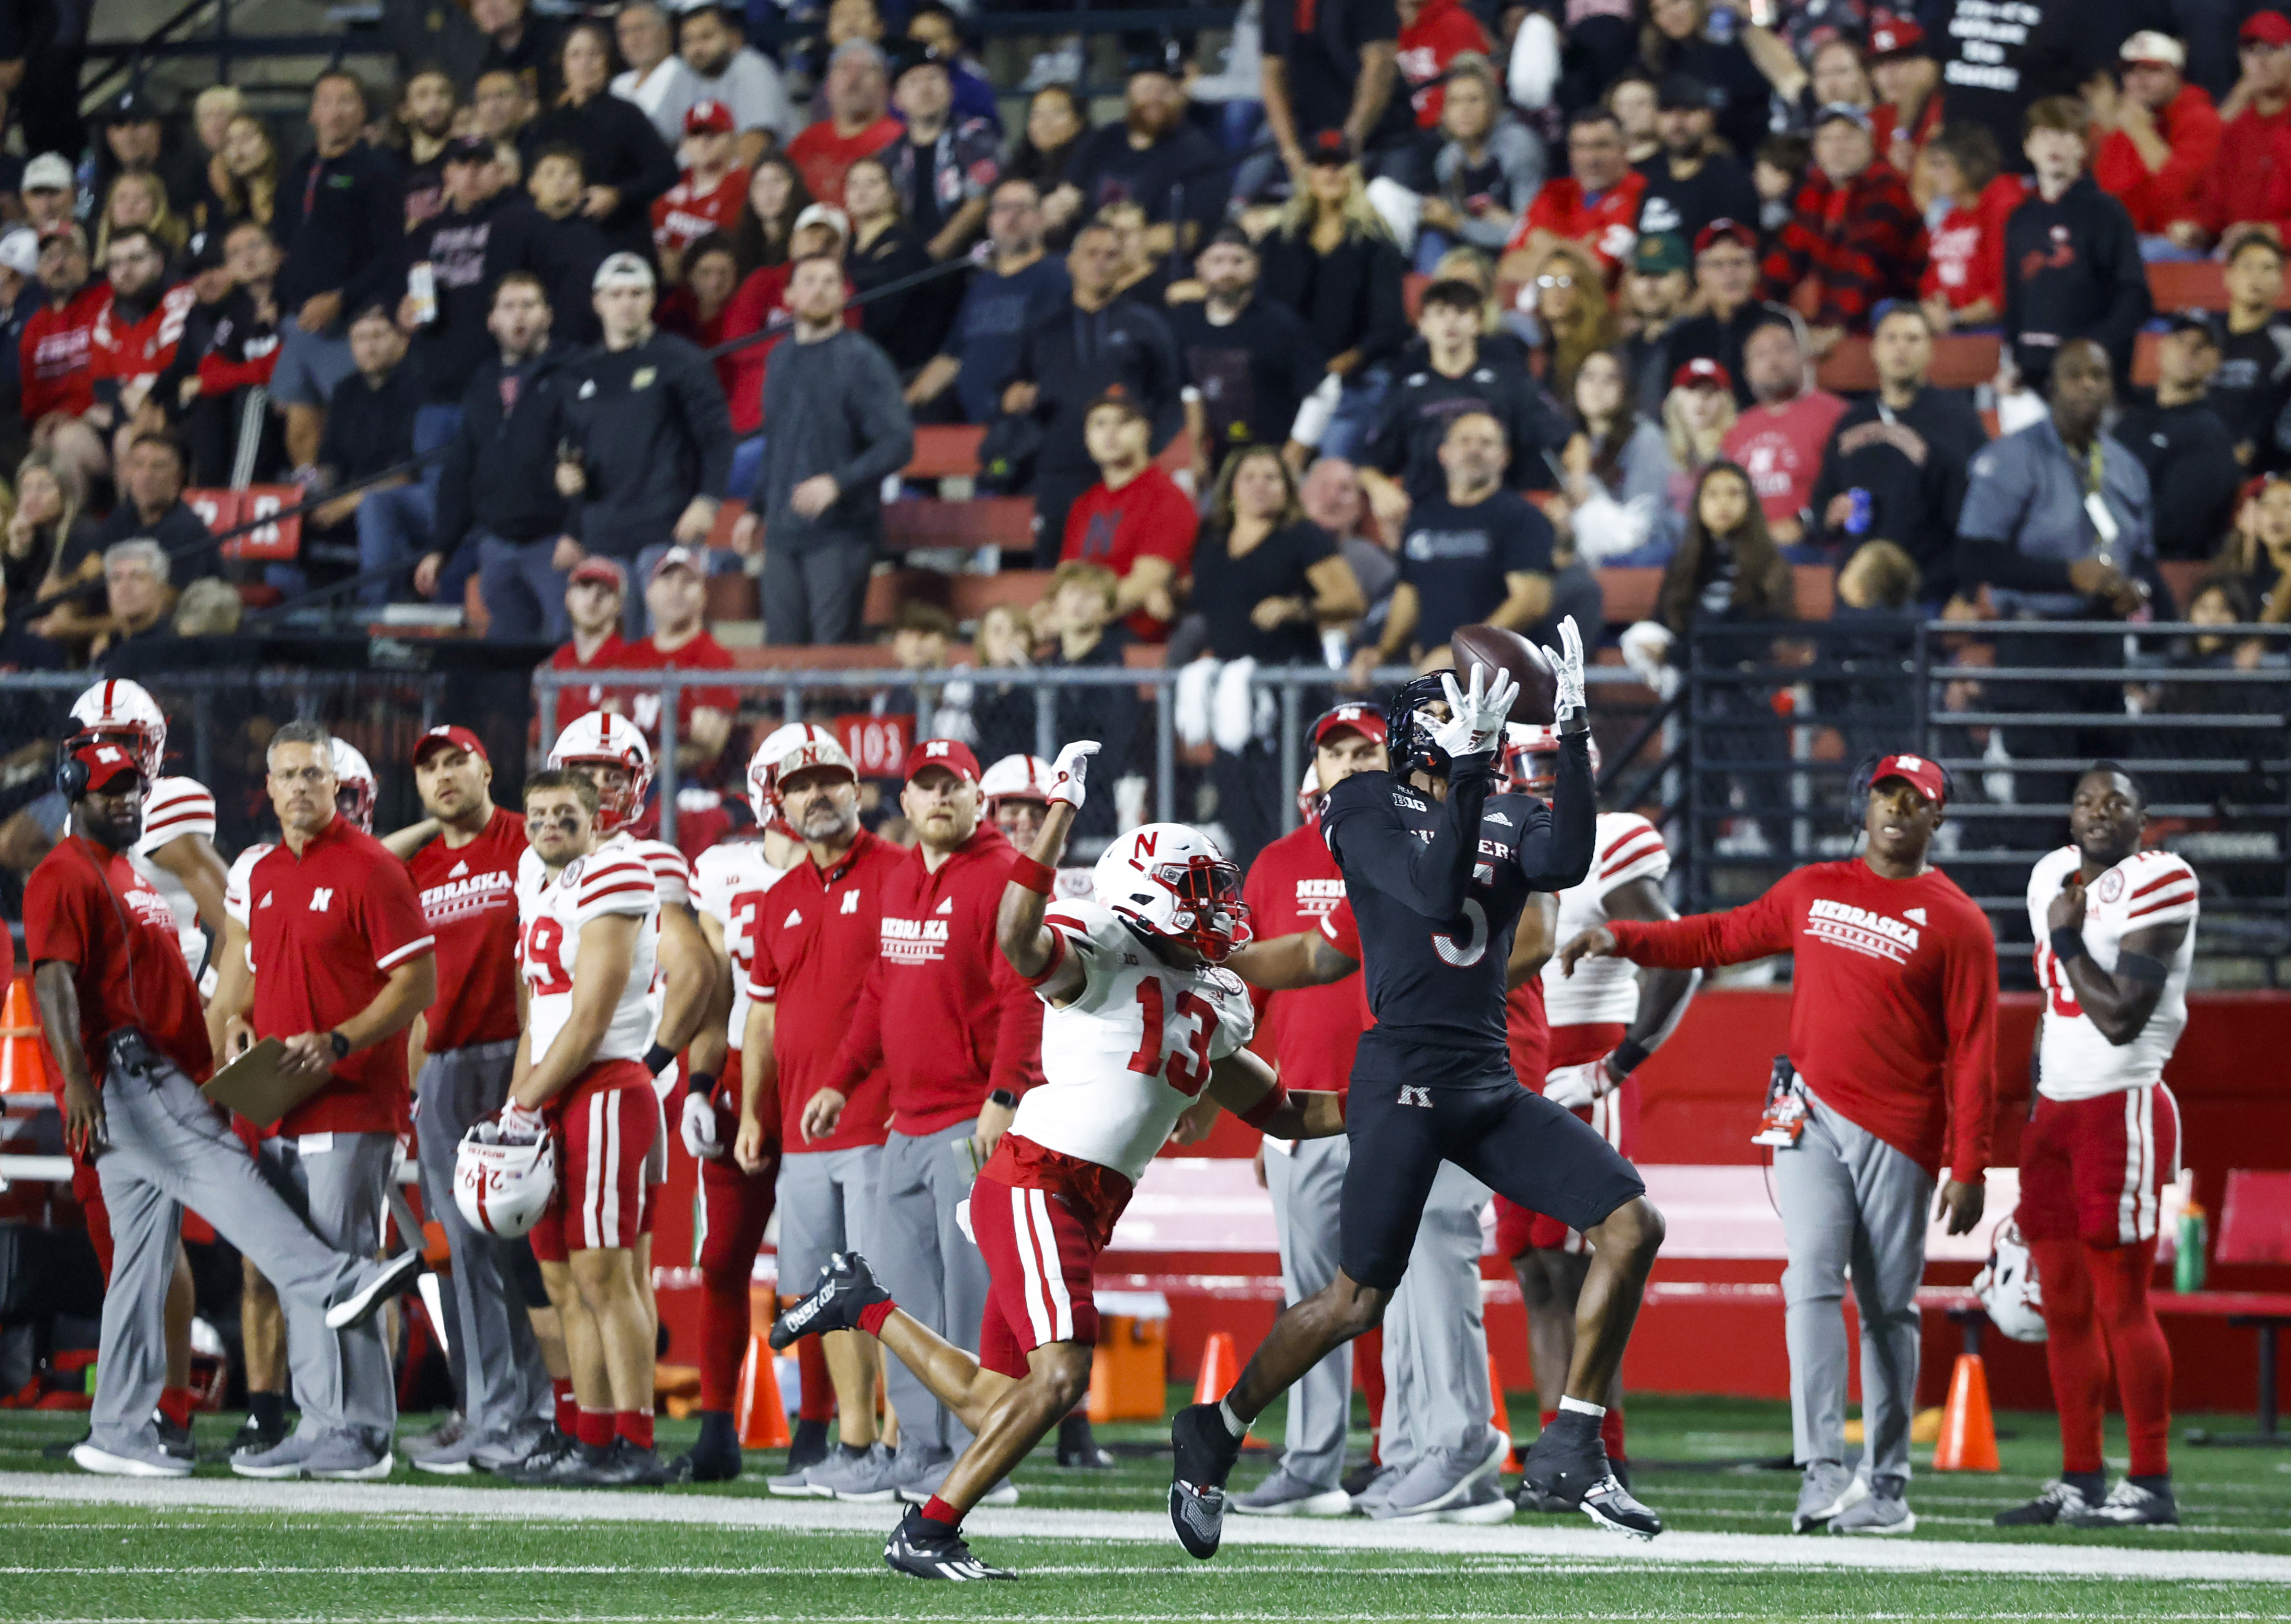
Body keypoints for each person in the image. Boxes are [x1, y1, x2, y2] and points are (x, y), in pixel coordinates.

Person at [1169, 623, 1667, 1556]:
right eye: (1442, 708)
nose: (1459, 718)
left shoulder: (1512, 805)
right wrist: (1475, 768)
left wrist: (1570, 725)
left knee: (1633, 1225)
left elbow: (1562, 860)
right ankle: (1218, 1426)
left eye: (1469, 707)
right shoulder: (1361, 803)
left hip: (1486, 1077)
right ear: (1411, 727)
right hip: (1399, 1076)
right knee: (1356, 1299)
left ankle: (1571, 1440)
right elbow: (1435, 893)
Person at [777, 758, 1339, 1581]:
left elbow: (1286, 1108)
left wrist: (1400, 1097)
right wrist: (1057, 818)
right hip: (1039, 1178)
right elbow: (1015, 935)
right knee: (1064, 1372)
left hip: (1080, 1199)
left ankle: (862, 1304)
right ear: (1149, 892)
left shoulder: (1212, 995)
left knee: (996, 1402)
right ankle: (927, 1532)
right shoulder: (1099, 949)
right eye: (1200, 888)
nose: (1221, 906)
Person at [1564, 750, 1995, 1534]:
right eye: (1883, 795)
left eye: (1914, 799)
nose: (1895, 810)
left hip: (1901, 1129)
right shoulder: (1811, 886)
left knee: (1888, 1307)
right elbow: (1721, 935)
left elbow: (1973, 1050)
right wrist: (1622, 937)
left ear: (1937, 816)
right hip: (1808, 1115)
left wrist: (1968, 1165)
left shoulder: (1957, 920)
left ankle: (1888, 1483)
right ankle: (1823, 1471)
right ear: (1861, 807)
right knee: (1809, 1282)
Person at [28, 739, 422, 1479]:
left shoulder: (120, 870)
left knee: (139, 1264)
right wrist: (75, 1077)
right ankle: (339, 1281)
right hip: (128, 1072)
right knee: (232, 1178)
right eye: (110, 788)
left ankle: (116, 1426)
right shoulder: (62, 869)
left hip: (150, 1070)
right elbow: (52, 976)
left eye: (133, 788)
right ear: (72, 789)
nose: (126, 801)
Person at [205, 721, 439, 1480]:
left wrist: (338, 1040)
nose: (301, 786)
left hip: (350, 1098)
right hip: (275, 1096)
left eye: (314, 773)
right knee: (301, 1269)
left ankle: (363, 1430)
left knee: (344, 1264)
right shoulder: (262, 872)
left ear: (336, 783)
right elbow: (237, 993)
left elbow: (417, 985)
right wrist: (239, 1030)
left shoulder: (372, 868)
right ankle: (320, 1418)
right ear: (267, 788)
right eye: (288, 775)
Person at [1494, 725, 1695, 1495]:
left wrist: (1617, 1063)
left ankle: (1598, 1447)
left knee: (1585, 1265)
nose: (1539, 779)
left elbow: (1676, 956)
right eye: (1528, 765)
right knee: (1535, 1269)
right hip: (1520, 1073)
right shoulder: (1507, 838)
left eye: (1553, 764)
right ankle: (1554, 1451)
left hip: (1585, 1068)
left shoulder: (1608, 839)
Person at [1996, 764, 2195, 1530]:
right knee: (2065, 1306)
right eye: (2084, 800)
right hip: (2055, 1114)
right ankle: (2080, 1476)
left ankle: (2148, 1481)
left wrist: (2066, 931)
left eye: (2115, 801)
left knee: (2120, 1300)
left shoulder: (2162, 878)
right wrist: (2035, 1104)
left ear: (2143, 816)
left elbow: (2118, 1016)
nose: (2097, 812)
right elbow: (2056, 1008)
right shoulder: (2049, 871)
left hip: (2123, 1105)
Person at [723, 728, 902, 1495]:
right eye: (801, 785)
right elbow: (759, 1016)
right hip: (800, 1124)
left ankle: (910, 1441)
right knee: (824, 1291)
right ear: (780, 802)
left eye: (832, 781)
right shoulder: (776, 899)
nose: (817, 794)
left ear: (857, 792)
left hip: (882, 1116)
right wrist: (754, 1112)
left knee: (890, 1292)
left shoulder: (900, 874)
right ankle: (856, 1444)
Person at [1226, 705, 1384, 1517]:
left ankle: (1415, 1453)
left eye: (1368, 748)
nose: (1353, 761)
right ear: (1312, 772)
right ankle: (1313, 1462)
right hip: (1308, 1110)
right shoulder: (1275, 864)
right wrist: (1245, 1102)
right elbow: (1245, 996)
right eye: (1337, 750)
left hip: (1400, 1103)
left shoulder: (1415, 847)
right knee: (1309, 1296)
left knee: (1415, 1286)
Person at [500, 767, 668, 1486]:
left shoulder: (617, 871)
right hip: (552, 1090)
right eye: (536, 814)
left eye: (565, 814)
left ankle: (635, 1437)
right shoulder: (540, 883)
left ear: (596, 818)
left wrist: (522, 1104)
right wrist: (518, 1105)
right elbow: (537, 1020)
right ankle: (590, 1435)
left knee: (604, 1272)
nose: (548, 826)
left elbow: (589, 1017)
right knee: (563, 1278)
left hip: (602, 1084)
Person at [397, 726, 553, 1474]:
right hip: (445, 1066)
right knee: (463, 1248)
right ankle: (492, 1408)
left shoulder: (526, 840)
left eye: (455, 761)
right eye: (428, 769)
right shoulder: (418, 864)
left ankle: (532, 1410)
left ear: (487, 767)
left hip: (516, 1058)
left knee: (522, 1249)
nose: (443, 775)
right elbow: (364, 860)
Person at [676, 732, 806, 1484]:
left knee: (822, 1262)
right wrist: (698, 1081)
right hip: (733, 1066)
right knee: (722, 1256)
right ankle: (717, 1423)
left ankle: (822, 1427)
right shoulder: (724, 868)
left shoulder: (850, 870)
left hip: (820, 1069)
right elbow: (712, 988)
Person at [735, 252, 913, 647]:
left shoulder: (862, 359)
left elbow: (899, 442)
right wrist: (754, 510)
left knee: (830, 659)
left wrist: (837, 482)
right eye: (810, 281)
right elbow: (777, 445)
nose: (819, 290)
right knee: (780, 660)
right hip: (783, 534)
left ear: (844, 293)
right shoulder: (780, 357)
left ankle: (831, 713)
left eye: (829, 282)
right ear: (790, 295)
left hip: (842, 533)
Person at [556, 254, 733, 619]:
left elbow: (717, 436)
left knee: (665, 653)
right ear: (598, 302)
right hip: (603, 536)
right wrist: (564, 484)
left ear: (652, 299)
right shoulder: (578, 372)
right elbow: (569, 449)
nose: (627, 303)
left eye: (637, 293)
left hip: (666, 530)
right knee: (615, 661)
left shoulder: (682, 360)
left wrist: (708, 500)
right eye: (616, 294)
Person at [1003, 222, 1182, 568]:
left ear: (1124, 264)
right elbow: (1011, 384)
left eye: (1111, 255)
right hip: (1058, 468)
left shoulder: (1146, 324)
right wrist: (1014, 397)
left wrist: (1147, 450)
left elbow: (1170, 397)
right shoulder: (1042, 326)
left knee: (1122, 563)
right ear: (1070, 262)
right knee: (1055, 569)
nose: (1100, 262)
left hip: (1124, 471)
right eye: (1091, 254)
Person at [423, 273, 578, 637]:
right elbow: (460, 468)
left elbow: (590, 459)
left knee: (565, 653)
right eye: (509, 307)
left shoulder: (572, 373)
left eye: (529, 305)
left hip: (554, 543)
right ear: (492, 320)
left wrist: (575, 532)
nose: (519, 316)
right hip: (497, 546)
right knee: (504, 664)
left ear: (548, 315)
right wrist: (441, 548)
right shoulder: (482, 383)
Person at [270, 72, 405, 474]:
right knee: (300, 429)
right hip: (297, 322)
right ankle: (311, 510)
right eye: (326, 101)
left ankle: (353, 519)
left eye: (347, 101)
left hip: (350, 322)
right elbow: (282, 243)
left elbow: (392, 251)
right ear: (313, 112)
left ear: (362, 112)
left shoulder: (378, 168)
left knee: (353, 429)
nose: (336, 111)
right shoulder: (298, 171)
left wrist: (341, 299)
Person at [1353, 411, 1553, 681]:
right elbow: (1409, 592)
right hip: (1435, 675)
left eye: (1486, 443)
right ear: (1443, 454)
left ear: (1504, 457)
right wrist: (1382, 651)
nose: (1474, 451)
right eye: (1465, 441)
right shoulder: (1423, 518)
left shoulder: (1523, 518)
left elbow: (1531, 600)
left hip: (1504, 679)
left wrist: (1464, 652)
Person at [1805, 305, 1986, 599]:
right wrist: (1830, 515)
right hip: (1858, 590)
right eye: (1891, 339)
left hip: (1928, 589)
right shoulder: (1852, 421)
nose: (1901, 348)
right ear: (1874, 349)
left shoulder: (1957, 419)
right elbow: (1823, 497)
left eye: (1912, 339)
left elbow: (1977, 512)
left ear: (1930, 350)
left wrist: (1964, 593)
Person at [1358, 278, 1568, 530]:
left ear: (1478, 323)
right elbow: (1366, 462)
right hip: (1425, 517)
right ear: (1423, 326)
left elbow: (1563, 437)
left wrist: (1576, 482)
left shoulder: (1509, 383)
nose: (1450, 322)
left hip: (1499, 517)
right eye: (1440, 313)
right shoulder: (1406, 391)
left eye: (1461, 312)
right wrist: (1379, 487)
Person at [1256, 135, 1411, 463]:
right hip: (1289, 378)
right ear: (1307, 175)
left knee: (1331, 461)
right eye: (1321, 165)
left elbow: (1389, 326)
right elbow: (1263, 310)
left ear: (1354, 174)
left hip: (1353, 380)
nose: (1330, 174)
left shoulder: (1377, 245)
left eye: (1339, 165)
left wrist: (1347, 362)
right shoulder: (1278, 241)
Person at [2003, 97, 2149, 391]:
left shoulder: (2106, 213)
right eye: (2044, 135)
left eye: (2065, 134)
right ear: (2028, 147)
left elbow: (2133, 295)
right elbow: (2015, 299)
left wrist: (2094, 349)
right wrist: (2011, 361)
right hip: (2030, 375)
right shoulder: (2020, 220)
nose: (2054, 145)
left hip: (2088, 377)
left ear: (2083, 146)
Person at [1759, 104, 1923, 352]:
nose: (1838, 148)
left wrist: (1834, 328)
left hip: (1885, 318)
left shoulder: (1887, 188)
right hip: (1835, 317)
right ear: (1816, 149)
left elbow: (1866, 266)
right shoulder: (1817, 190)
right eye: (1828, 139)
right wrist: (1756, 313)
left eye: (1848, 137)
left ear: (1870, 143)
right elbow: (1786, 258)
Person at [905, 178, 1068, 426]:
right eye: (1003, 208)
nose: (1011, 217)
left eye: (1022, 208)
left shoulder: (1058, 274)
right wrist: (907, 401)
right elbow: (952, 356)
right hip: (973, 428)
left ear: (1040, 218)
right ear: (991, 221)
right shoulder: (981, 284)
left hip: (1030, 425)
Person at [1169, 226, 1323, 481]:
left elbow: (1323, 391)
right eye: (1218, 261)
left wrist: (1295, 452)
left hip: (1273, 463)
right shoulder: (1185, 322)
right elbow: (1190, 389)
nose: (1228, 271)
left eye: (1238, 261)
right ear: (1200, 266)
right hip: (1216, 463)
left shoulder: (1281, 324)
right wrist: (1196, 451)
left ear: (1257, 266)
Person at [1060, 48, 1229, 256]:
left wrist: (1110, 248)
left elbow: (1184, 234)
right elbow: (1068, 195)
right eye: (1146, 89)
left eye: (1165, 91)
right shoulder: (1104, 140)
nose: (1154, 99)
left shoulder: (1197, 152)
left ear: (1181, 98)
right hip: (1087, 255)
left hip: (1151, 266)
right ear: (1129, 94)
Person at [1060, 389, 1195, 642]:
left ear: (1146, 430)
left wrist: (1079, 616)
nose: (1110, 432)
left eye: (1123, 422)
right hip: (1084, 630)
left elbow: (1146, 581)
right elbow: (1067, 575)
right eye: (1099, 424)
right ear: (1087, 437)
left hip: (1133, 634)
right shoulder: (1085, 503)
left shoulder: (1166, 498)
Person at [314, 302, 425, 606]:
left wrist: (349, 501)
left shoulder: (419, 386)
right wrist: (309, 489)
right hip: (349, 500)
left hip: (403, 500)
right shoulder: (345, 391)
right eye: (360, 339)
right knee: (295, 514)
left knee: (375, 508)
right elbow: (330, 461)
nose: (369, 347)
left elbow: (408, 473)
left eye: (378, 336)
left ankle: (372, 612)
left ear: (402, 340)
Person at [2113, 311, 2242, 561]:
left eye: (2201, 346)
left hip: (2164, 566)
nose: (2189, 351)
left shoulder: (2209, 434)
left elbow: (2173, 527)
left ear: (2216, 360)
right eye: (2180, 341)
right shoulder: (2131, 420)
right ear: (2162, 348)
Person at [1718, 316, 1847, 548]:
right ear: (1747, 372)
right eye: (1761, 354)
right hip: (1745, 549)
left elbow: (1850, 490)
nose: (1773, 361)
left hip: (1810, 547)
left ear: (1804, 358)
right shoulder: (1736, 429)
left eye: (1783, 349)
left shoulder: (1836, 415)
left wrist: (1804, 523)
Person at [2089, 32, 2218, 251]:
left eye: (2153, 70)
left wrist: (2140, 132)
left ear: (2177, 73)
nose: (2140, 80)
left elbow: (2176, 190)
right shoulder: (2126, 120)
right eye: (2131, 71)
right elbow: (2110, 193)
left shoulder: (2200, 119)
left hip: (2185, 244)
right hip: (2136, 240)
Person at [1258, 0, 1408, 185]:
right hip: (1308, 131)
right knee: (1261, 151)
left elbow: (1380, 65)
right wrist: (1291, 152)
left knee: (1388, 202)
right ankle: (1237, 205)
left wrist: (1350, 140)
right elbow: (1272, 72)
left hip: (1383, 134)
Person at [2178, 12, 2291, 254]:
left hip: (2282, 252)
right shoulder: (2236, 131)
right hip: (2237, 253)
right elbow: (2215, 205)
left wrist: (2270, 232)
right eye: (2250, 51)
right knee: (2158, 253)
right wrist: (2198, 229)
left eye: (2272, 49)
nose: (2260, 61)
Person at [1557, 348, 1679, 567]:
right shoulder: (1570, 439)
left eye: (1610, 379)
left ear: (1625, 389)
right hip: (1588, 559)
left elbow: (1640, 527)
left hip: (1640, 559)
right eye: (1589, 377)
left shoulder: (1645, 438)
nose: (1597, 387)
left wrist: (1583, 482)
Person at [1418, 55, 1543, 268]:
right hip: (1472, 248)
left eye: (1474, 100)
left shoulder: (1518, 146)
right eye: (1455, 102)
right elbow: (1459, 227)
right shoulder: (1449, 159)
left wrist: (1457, 223)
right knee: (1430, 238)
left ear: (1493, 107)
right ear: (1444, 113)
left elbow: (1528, 234)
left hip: (1517, 256)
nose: (1464, 110)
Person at [882, 42, 1001, 265]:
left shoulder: (974, 135)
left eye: (934, 78)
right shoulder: (891, 154)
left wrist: (933, 254)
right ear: (897, 99)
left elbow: (981, 199)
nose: (926, 89)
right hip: (911, 266)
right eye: (913, 82)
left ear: (951, 89)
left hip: (969, 263)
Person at [1501, 107, 1646, 280]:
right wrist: (1576, 249)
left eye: (1601, 146)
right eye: (1580, 147)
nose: (1590, 159)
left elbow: (1595, 270)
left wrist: (1543, 242)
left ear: (1624, 148)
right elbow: (1508, 266)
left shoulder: (1639, 192)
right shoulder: (1554, 191)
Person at [89, 226, 197, 441]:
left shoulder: (180, 299)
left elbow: (175, 368)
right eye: (116, 263)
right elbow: (101, 380)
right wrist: (124, 395)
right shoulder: (107, 314)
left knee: (127, 438)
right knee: (70, 438)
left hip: (176, 414)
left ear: (159, 261)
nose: (126, 271)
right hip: (126, 414)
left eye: (136, 259)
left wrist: (145, 394)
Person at [1664, 219, 1786, 408]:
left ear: (1756, 270)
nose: (1730, 274)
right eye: (1717, 265)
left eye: (1738, 263)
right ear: (1700, 274)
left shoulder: (1778, 324)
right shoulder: (1684, 335)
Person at [1636, 73, 1759, 255]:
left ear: (1710, 117)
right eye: (1668, 111)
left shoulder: (1731, 181)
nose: (1678, 121)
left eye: (1689, 110)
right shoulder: (1642, 175)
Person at [841, 155, 941, 372]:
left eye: (872, 183)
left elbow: (889, 313)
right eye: (853, 184)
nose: (861, 191)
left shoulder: (906, 244)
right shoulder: (845, 248)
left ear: (893, 193)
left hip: (898, 362)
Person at [1916, 122, 2018, 335]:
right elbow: (1932, 281)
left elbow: (2004, 291)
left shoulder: (2002, 205)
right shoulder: (1953, 216)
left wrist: (1955, 319)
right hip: (1951, 323)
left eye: (1940, 164)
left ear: (1969, 163)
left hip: (1991, 328)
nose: (1933, 175)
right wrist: (1935, 307)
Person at [677, 3, 798, 168]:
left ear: (735, 39)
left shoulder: (751, 69)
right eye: (688, 41)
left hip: (765, 182)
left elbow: (754, 147)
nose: (696, 49)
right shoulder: (689, 74)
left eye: (706, 37)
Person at [2209, 231, 2291, 471]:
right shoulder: (2206, 338)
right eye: (2247, 267)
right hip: (2200, 455)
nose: (2256, 277)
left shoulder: (2286, 344)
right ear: (2228, 276)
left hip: (2262, 466)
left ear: (2281, 282)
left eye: (2267, 268)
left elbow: (2274, 414)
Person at [92, 433, 218, 585]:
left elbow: (168, 600)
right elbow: (90, 569)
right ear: (126, 473)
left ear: (178, 478)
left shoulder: (186, 530)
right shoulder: (122, 516)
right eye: (138, 465)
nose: (147, 475)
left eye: (158, 466)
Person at [787, 40, 901, 208]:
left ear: (885, 87)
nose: (854, 78)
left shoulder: (898, 140)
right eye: (844, 68)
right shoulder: (807, 141)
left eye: (866, 70)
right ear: (827, 86)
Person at [653, 100, 750, 282]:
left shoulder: (745, 186)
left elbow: (730, 251)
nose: (704, 142)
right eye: (696, 135)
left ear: (733, 139)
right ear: (685, 143)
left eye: (713, 134)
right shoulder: (671, 182)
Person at [21, 225, 104, 424]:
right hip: (49, 425)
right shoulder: (35, 326)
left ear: (87, 259)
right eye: (49, 257)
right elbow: (32, 396)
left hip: (97, 416)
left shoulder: (106, 302)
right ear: (39, 271)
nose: (58, 264)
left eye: (67, 254)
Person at [1617, 232, 1690, 411]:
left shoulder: (1698, 340)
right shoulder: (1622, 343)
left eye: (1661, 274)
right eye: (1642, 275)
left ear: (1684, 282)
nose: (1650, 286)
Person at [612, 0, 700, 145]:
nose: (633, 40)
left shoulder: (687, 77)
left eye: (640, 29)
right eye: (624, 33)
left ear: (667, 31)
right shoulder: (619, 85)